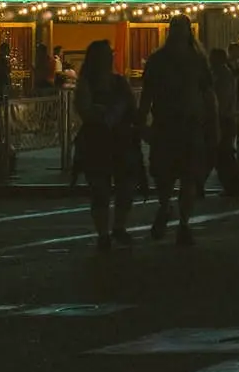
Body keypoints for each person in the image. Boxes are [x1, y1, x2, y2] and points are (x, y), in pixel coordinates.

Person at [138, 17, 215, 244]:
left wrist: (141, 122)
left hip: (170, 126)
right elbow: (208, 96)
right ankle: (180, 220)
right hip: (183, 126)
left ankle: (173, 214)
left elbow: (147, 95)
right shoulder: (196, 60)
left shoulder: (159, 60)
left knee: (171, 176)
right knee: (183, 177)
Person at [73, 39, 140, 251]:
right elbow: (85, 110)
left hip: (119, 139)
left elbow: (132, 107)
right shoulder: (86, 83)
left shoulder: (119, 82)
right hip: (97, 140)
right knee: (100, 189)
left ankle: (118, 227)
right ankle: (104, 234)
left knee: (125, 187)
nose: (109, 58)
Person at [208, 46, 239, 197]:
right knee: (223, 153)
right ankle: (231, 185)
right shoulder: (221, 74)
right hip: (224, 118)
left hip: (223, 119)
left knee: (224, 153)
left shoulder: (223, 76)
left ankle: (232, 186)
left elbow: (221, 100)